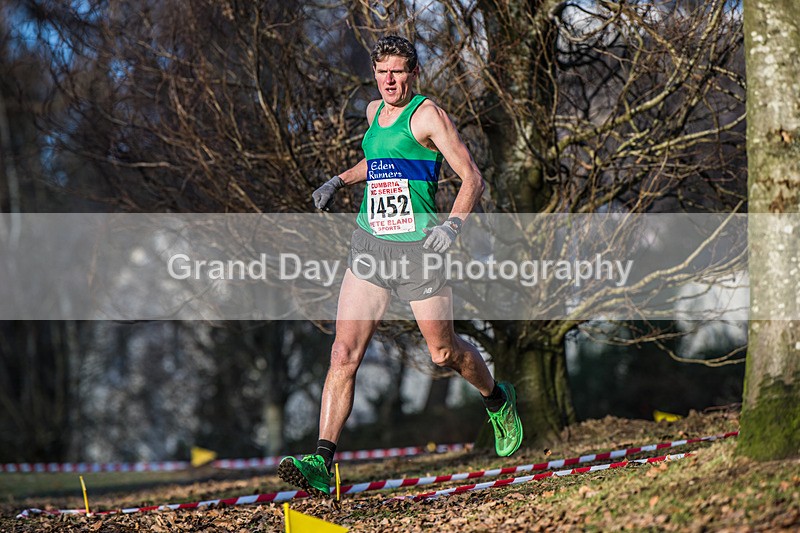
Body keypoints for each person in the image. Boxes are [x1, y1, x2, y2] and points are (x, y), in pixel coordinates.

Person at [278, 35, 523, 497]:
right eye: (382, 72)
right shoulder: (374, 112)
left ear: (413, 74)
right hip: (371, 244)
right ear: (375, 73)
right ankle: (321, 460)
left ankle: (496, 398)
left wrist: (451, 227)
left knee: (443, 353)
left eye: (398, 72)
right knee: (342, 354)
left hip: (418, 249)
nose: (389, 80)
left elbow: (473, 178)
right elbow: (379, 161)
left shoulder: (429, 116)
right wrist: (338, 180)